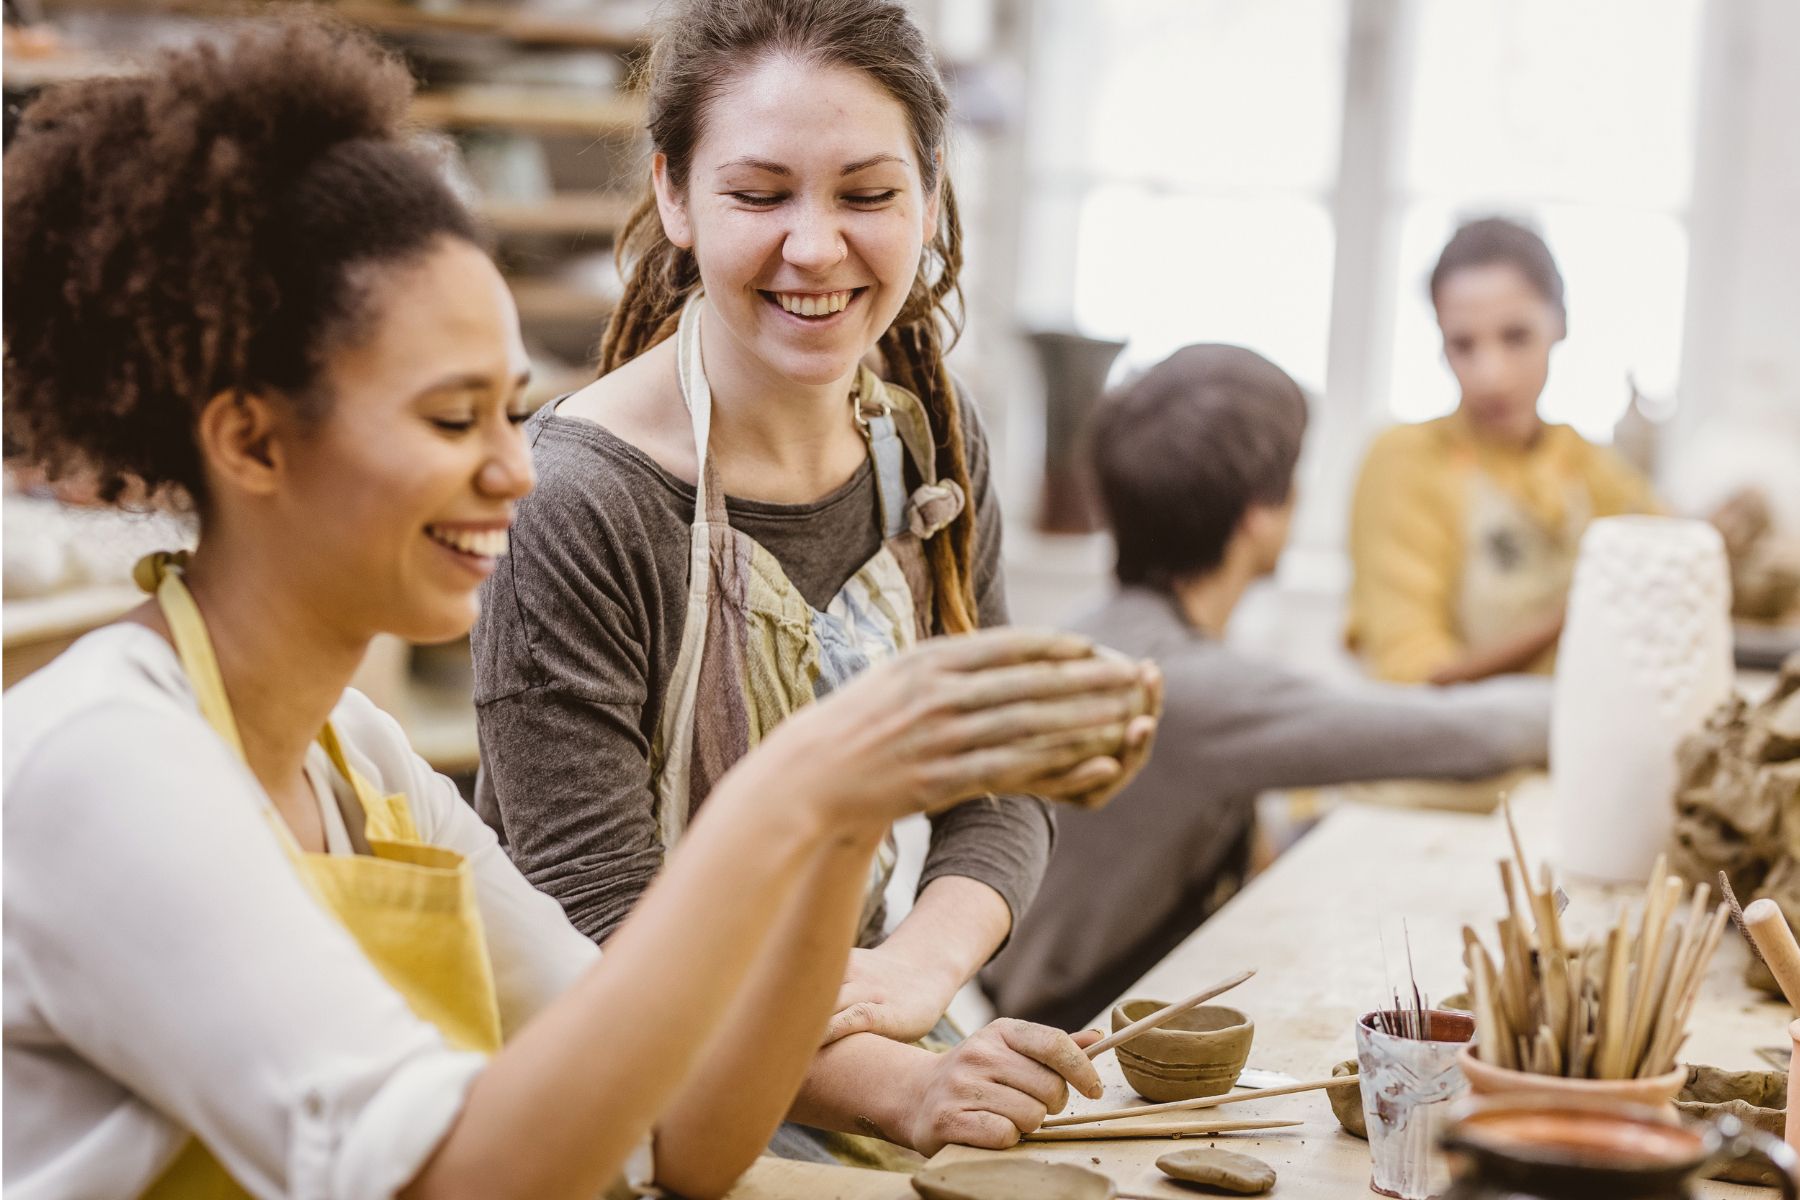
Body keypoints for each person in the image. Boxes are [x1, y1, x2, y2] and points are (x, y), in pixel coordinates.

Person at [0, 20, 1156, 1198]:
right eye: (455, 422)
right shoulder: (104, 763)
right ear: (251, 440)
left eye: (511, 410)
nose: (515, 470)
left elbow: (677, 1121)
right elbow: (448, 1177)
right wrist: (800, 795)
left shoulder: (369, 769)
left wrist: (841, 829)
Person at [470, 0, 1157, 1164]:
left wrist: (908, 977)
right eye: (760, 193)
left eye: (867, 194)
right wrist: (902, 1084)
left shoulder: (930, 439)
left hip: (863, 1031)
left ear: (931, 198)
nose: (816, 246)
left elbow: (998, 789)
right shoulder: (576, 502)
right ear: (676, 197)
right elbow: (600, 935)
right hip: (619, 1105)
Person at [980, 345, 1553, 1032]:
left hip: (1046, 995)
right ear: (1260, 515)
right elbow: (1473, 734)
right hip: (1065, 1027)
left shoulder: (1108, 632)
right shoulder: (1177, 685)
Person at [1346, 217, 1660, 685]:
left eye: (1516, 337)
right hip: (1454, 752)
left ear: (1560, 326)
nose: (1490, 376)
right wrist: (1575, 613)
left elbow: (1668, 553)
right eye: (1463, 345)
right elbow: (1416, 679)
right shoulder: (1405, 462)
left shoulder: (1585, 464)